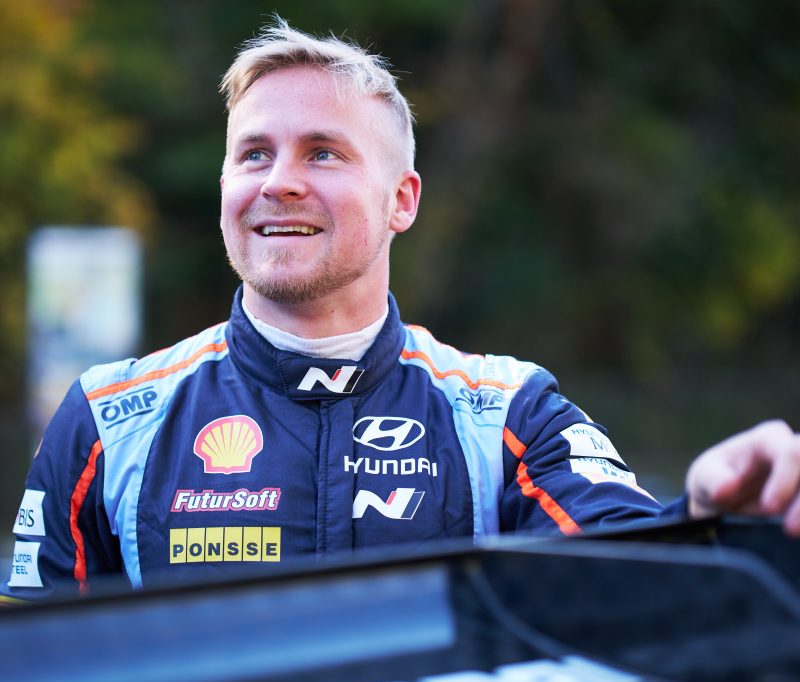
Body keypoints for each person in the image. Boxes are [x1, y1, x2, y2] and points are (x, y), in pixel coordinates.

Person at [3, 20, 799, 602]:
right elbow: (37, 671)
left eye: (323, 152)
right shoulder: (108, 419)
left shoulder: (508, 412)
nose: (279, 181)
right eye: (253, 154)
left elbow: (638, 579)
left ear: (402, 200)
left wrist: (709, 513)